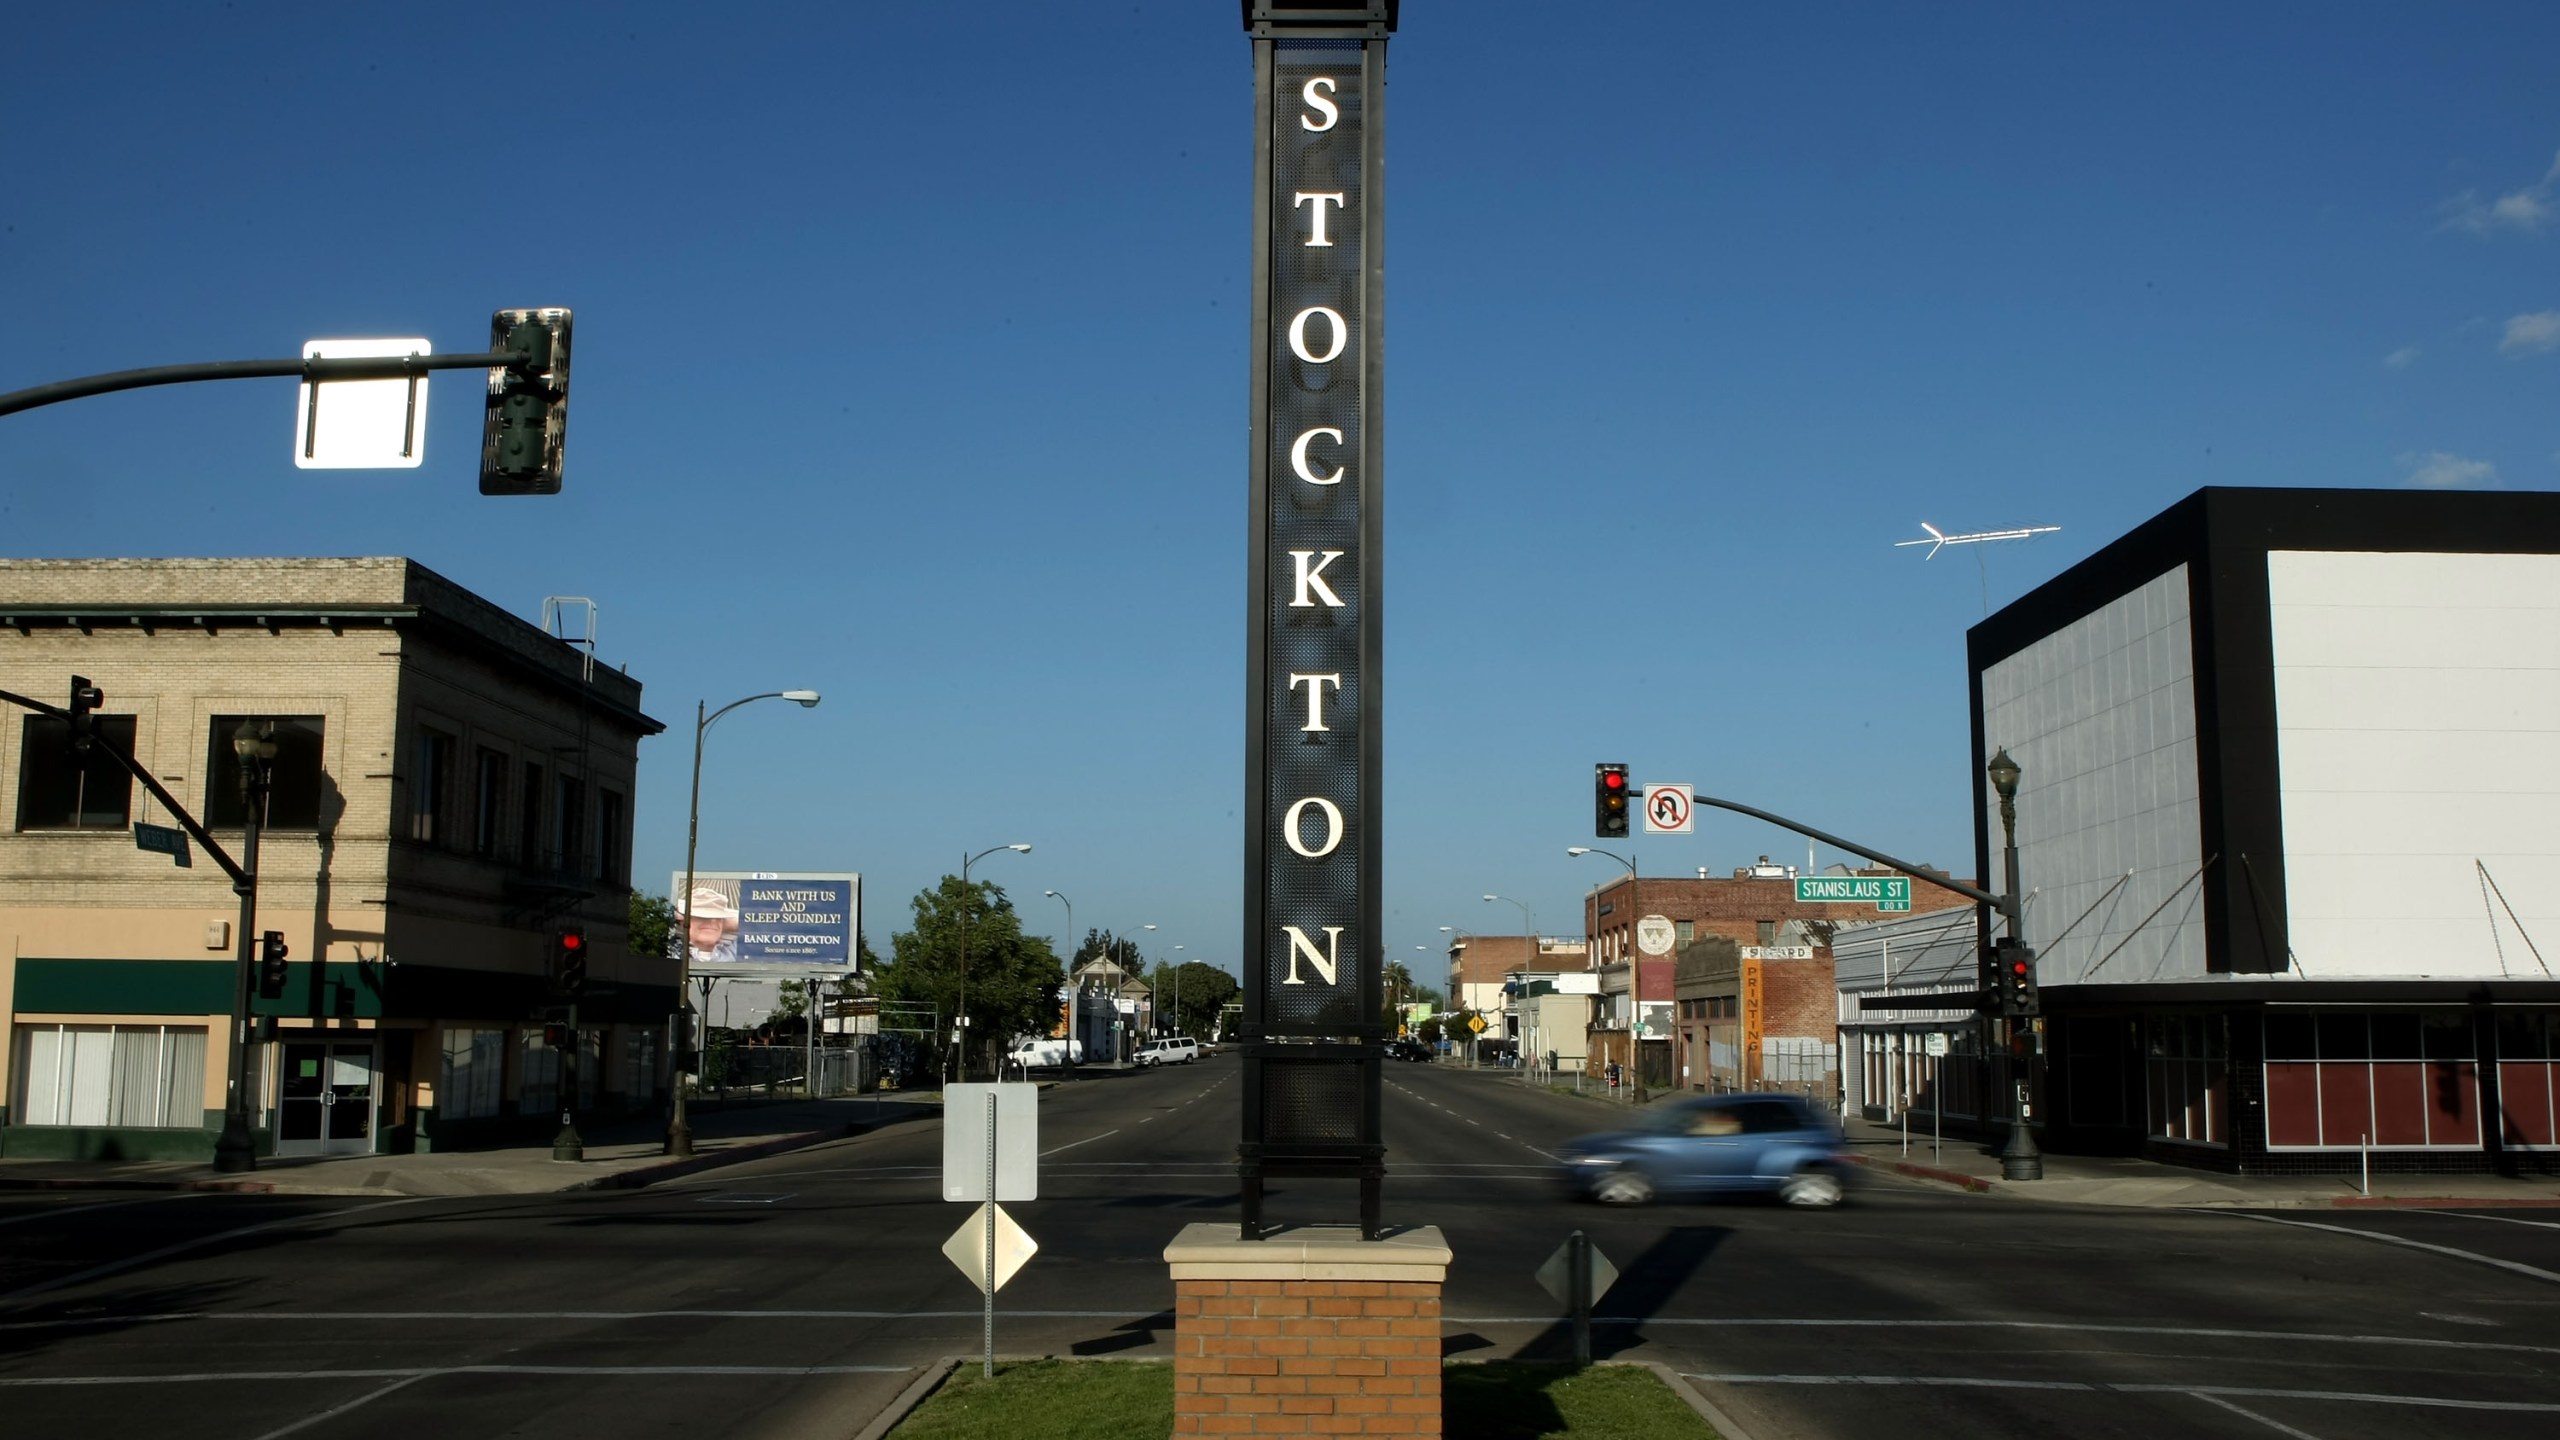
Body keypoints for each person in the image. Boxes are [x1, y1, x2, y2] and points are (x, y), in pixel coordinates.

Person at [681, 885, 741, 966]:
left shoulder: (735, 953)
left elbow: (757, 923)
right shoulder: (676, 952)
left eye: (718, 918)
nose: (713, 922)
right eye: (703, 917)